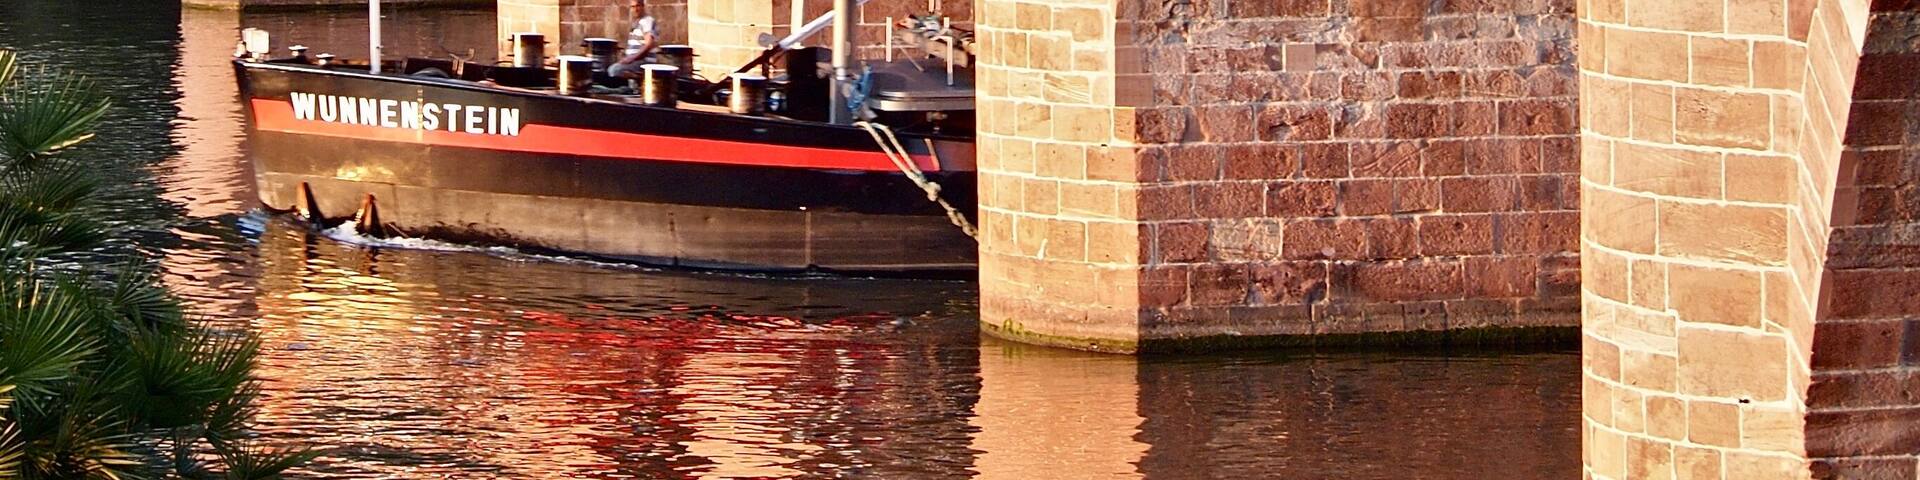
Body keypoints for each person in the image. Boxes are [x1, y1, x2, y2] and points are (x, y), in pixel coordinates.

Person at [609, 0, 660, 78]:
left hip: (644, 61)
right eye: (633, 7)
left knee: (614, 70)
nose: (635, 9)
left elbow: (648, 44)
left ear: (643, 7)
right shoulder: (637, 23)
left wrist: (631, 58)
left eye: (638, 6)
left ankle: (640, 79)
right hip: (636, 60)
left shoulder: (647, 21)